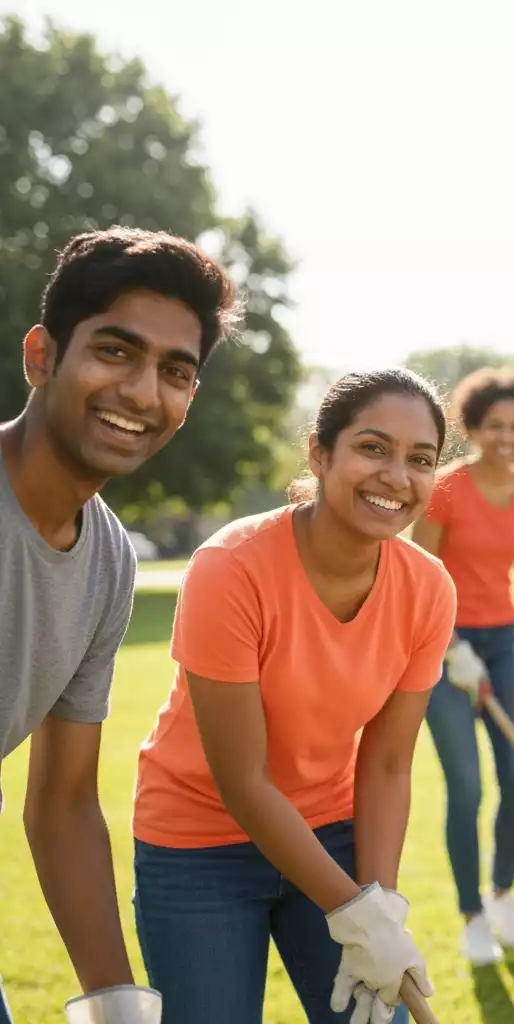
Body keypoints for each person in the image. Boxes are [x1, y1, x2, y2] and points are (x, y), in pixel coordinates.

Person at [130, 369, 455, 1024]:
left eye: (421, 460)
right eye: (373, 448)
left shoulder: (429, 589)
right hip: (199, 841)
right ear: (319, 452)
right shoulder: (232, 566)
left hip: (329, 830)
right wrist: (353, 912)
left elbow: (388, 763)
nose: (397, 475)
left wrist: (380, 907)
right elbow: (242, 780)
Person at [0, 227, 239, 1024]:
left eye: (176, 372)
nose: (143, 393)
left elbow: (64, 801)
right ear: (42, 356)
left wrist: (117, 1005)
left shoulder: (107, 558)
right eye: (115, 351)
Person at [411, 366, 514, 967]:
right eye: (494, 426)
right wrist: (448, 648)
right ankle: (471, 915)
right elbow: (418, 576)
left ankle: (501, 895)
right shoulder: (445, 487)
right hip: (442, 645)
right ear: (472, 427)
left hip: (500, 644)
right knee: (466, 787)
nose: (505, 437)